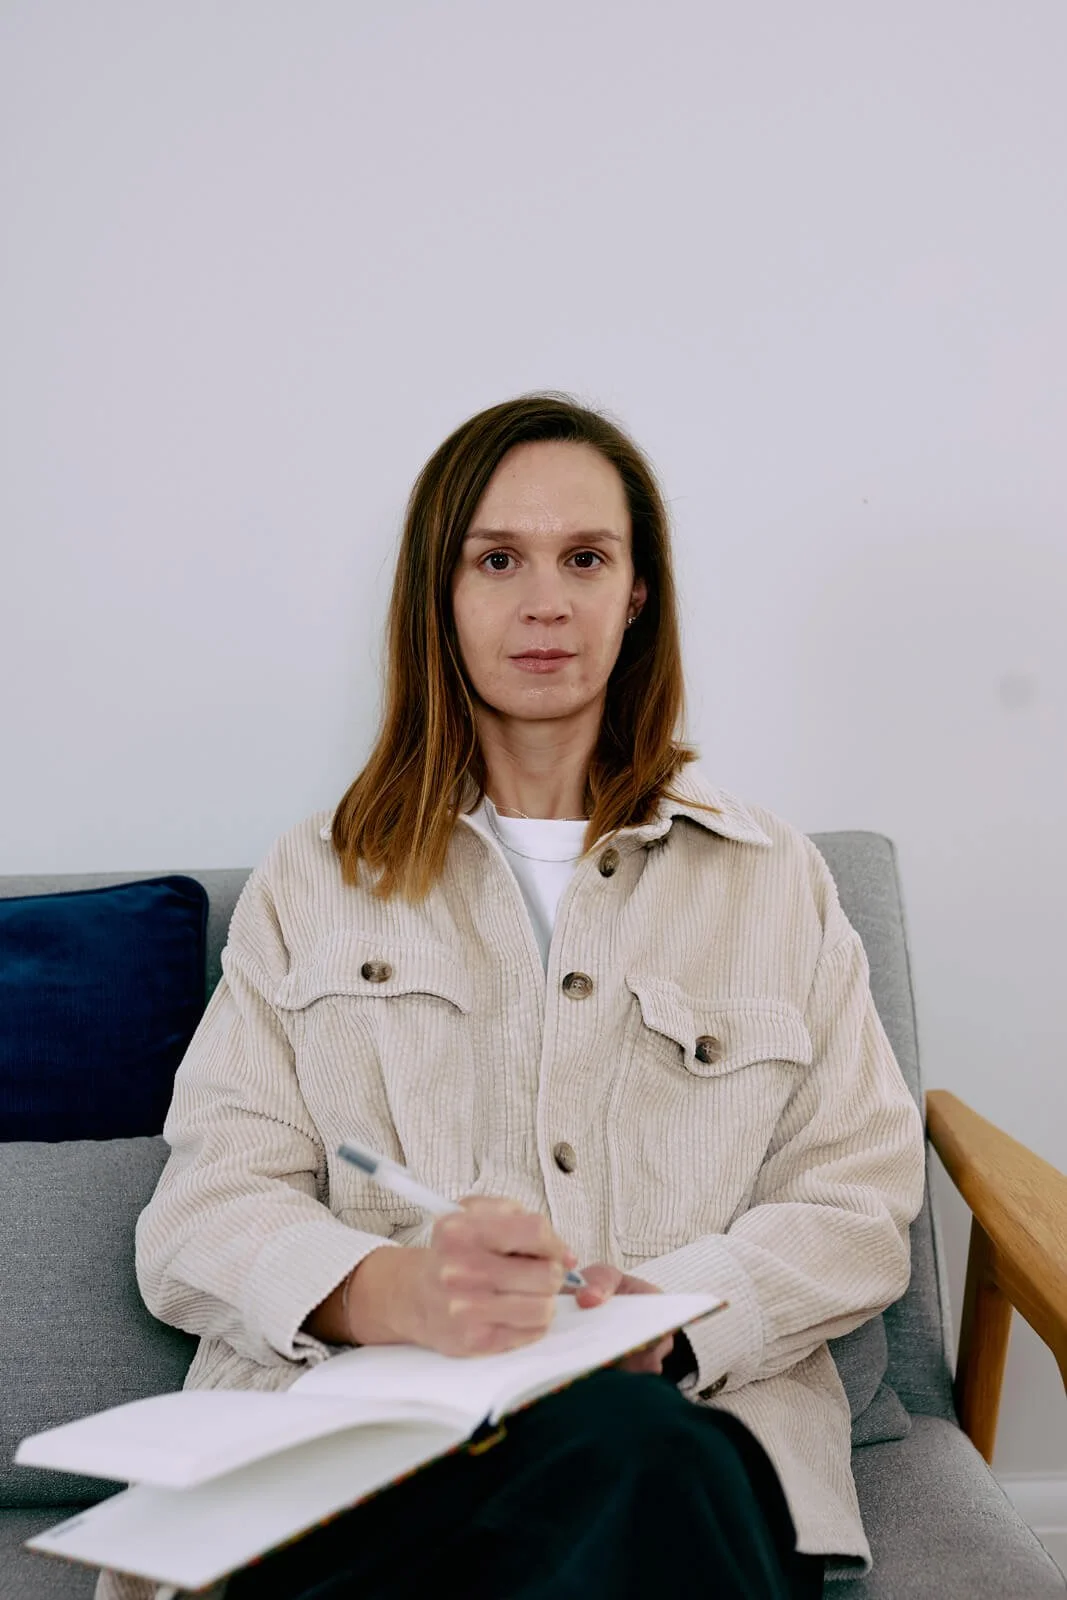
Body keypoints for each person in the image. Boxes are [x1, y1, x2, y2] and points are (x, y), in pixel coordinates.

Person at [95, 394, 925, 1600]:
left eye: (584, 557)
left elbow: (855, 1198)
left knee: (636, 1458)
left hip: (667, 1456)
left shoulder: (771, 882)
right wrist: (394, 1290)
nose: (545, 600)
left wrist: (665, 1321)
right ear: (441, 593)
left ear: (635, 594)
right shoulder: (314, 880)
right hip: (358, 1471)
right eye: (498, 560)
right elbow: (203, 1211)